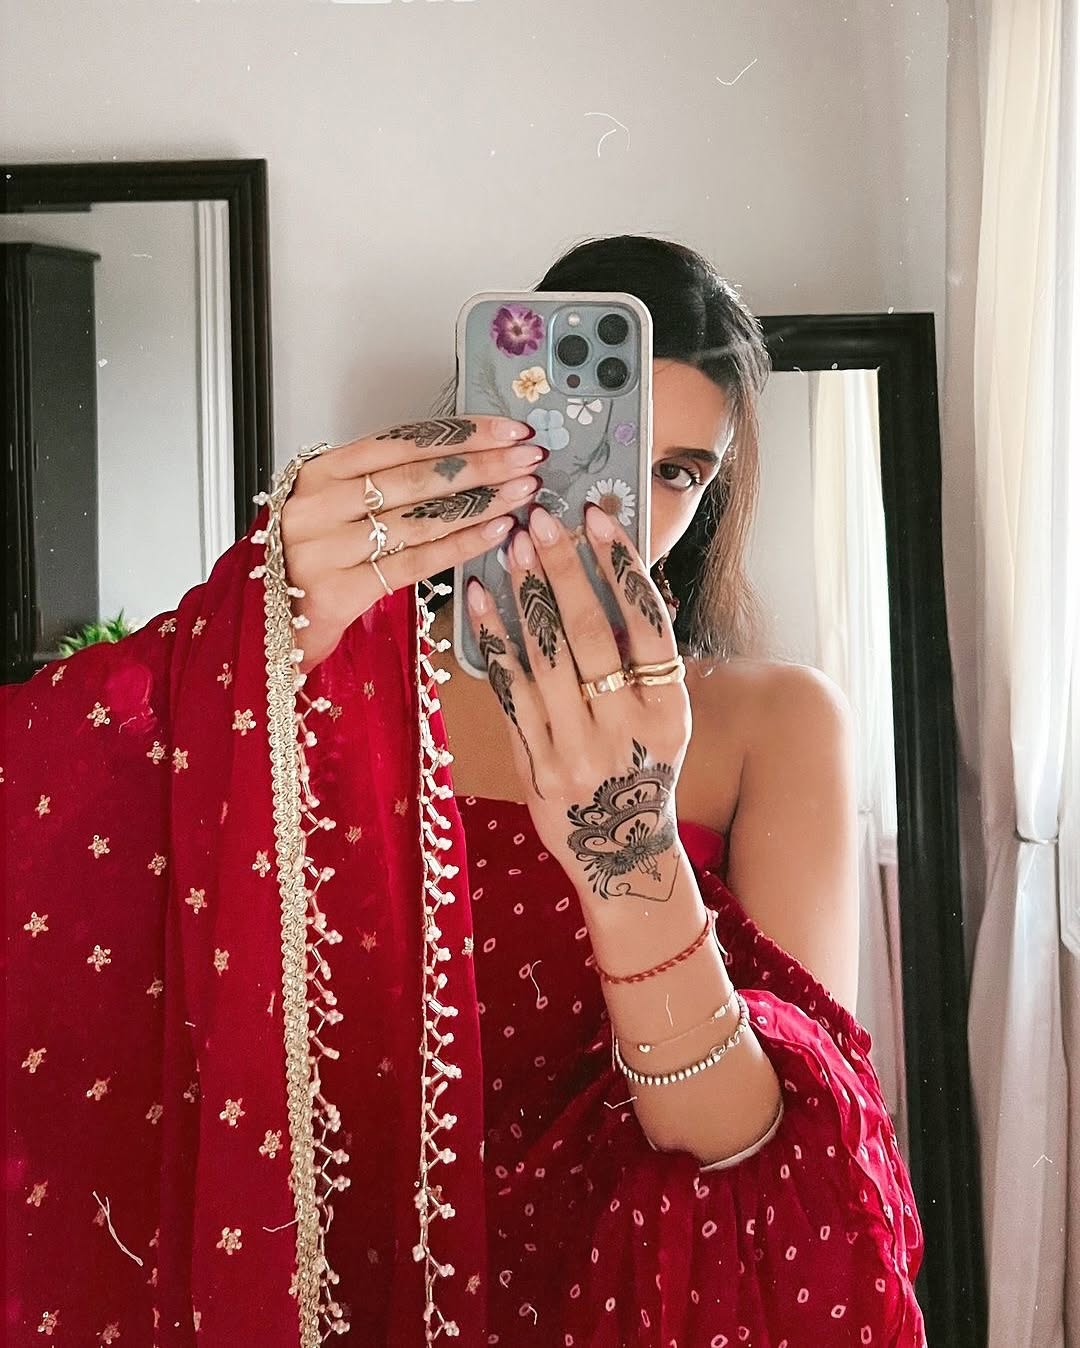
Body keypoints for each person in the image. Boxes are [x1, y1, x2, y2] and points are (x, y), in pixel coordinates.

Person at [3, 235, 925, 1347]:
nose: (624, 503)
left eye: (678, 472)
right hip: (357, 1277)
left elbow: (782, 1178)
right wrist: (252, 633)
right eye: (588, 444)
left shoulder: (771, 722)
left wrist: (627, 850)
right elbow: (76, 848)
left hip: (611, 1298)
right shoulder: (336, 681)